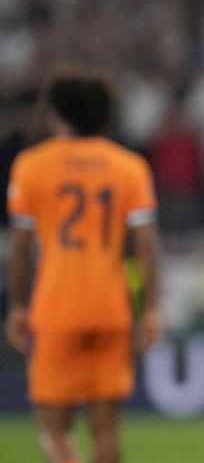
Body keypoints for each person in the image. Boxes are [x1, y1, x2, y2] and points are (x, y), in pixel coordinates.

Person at [5, 66, 161, 463]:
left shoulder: (32, 164)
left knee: (53, 430)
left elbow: (20, 248)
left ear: (56, 112)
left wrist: (17, 306)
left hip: (56, 308)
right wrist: (153, 309)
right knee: (106, 430)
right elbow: (146, 244)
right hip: (111, 308)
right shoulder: (129, 166)